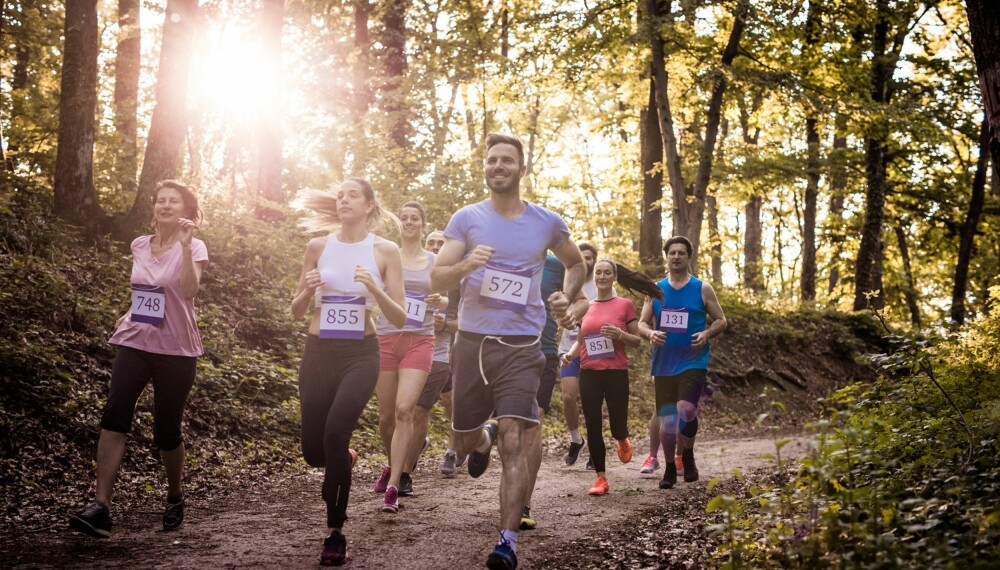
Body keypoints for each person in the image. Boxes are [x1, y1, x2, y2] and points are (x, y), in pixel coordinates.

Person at [431, 133, 586, 570]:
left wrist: (565, 297)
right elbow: (437, 279)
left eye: (506, 161)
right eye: (491, 160)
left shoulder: (546, 222)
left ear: (522, 169)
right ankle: (483, 439)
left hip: (522, 346)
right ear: (485, 167)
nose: (498, 166)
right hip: (473, 346)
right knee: (462, 441)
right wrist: (467, 266)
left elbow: (576, 263)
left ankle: (507, 541)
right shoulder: (466, 219)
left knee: (517, 437)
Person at [69, 180, 208, 539]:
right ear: (153, 208)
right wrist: (129, 312)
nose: (165, 206)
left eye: (173, 201)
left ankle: (175, 495)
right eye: (160, 200)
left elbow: (189, 293)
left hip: (176, 349)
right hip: (135, 341)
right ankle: (101, 506)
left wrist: (187, 246)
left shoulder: (195, 246)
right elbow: (145, 290)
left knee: (166, 431)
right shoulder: (139, 245)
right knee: (115, 414)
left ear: (186, 210)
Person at [289, 179, 407, 566]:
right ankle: (344, 459)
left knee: (336, 432)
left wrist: (375, 285)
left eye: (351, 195)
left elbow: (400, 316)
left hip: (361, 353)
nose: (342, 200)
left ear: (370, 205)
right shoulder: (318, 247)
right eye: (339, 195)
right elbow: (295, 310)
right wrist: (306, 292)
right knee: (313, 451)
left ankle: (334, 533)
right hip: (319, 351)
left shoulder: (385, 250)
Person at [561, 260, 662, 496]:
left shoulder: (624, 305)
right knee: (593, 425)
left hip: (616, 372)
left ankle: (621, 437)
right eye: (598, 272)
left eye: (607, 273)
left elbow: (637, 341)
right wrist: (569, 355)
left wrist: (620, 334)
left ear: (614, 276)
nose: (602, 276)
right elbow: (580, 340)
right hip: (589, 373)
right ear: (593, 276)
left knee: (618, 423)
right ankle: (601, 478)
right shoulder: (585, 307)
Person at [373, 202, 448, 512]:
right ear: (398, 223)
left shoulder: (435, 261)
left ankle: (394, 487)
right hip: (386, 338)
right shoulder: (387, 256)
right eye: (403, 218)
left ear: (423, 222)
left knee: (406, 410)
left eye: (414, 218)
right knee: (386, 417)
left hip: (421, 339)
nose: (408, 222)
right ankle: (393, 463)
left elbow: (446, 298)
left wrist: (439, 300)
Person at [637, 236, 727, 489]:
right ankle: (668, 468)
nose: (676, 257)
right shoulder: (655, 290)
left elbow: (721, 320)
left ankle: (687, 454)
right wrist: (650, 333)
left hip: (693, 360)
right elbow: (642, 323)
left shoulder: (702, 288)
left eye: (681, 253)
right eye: (672, 253)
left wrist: (707, 333)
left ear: (689, 257)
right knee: (667, 419)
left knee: (686, 408)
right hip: (664, 362)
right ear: (666, 257)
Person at [520, 254, 589, 530]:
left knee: (533, 423)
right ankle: (481, 441)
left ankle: (524, 503)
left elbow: (582, 300)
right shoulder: (498, 253)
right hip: (499, 351)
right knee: (504, 428)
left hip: (543, 353)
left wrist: (571, 312)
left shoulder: (556, 264)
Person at [405, 230, 464, 482]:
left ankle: (452, 450)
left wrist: (443, 326)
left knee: (447, 402)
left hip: (445, 352)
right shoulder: (411, 274)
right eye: (432, 242)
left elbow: (462, 322)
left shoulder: (456, 282)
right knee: (411, 409)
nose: (437, 246)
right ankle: (416, 447)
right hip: (411, 349)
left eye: (442, 243)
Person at [557, 242, 598, 466]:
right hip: (568, 348)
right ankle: (575, 440)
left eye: (590, 257)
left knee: (591, 401)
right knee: (568, 397)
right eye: (581, 257)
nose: (586, 261)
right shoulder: (566, 280)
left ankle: (595, 446)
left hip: (595, 350)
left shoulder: (602, 283)